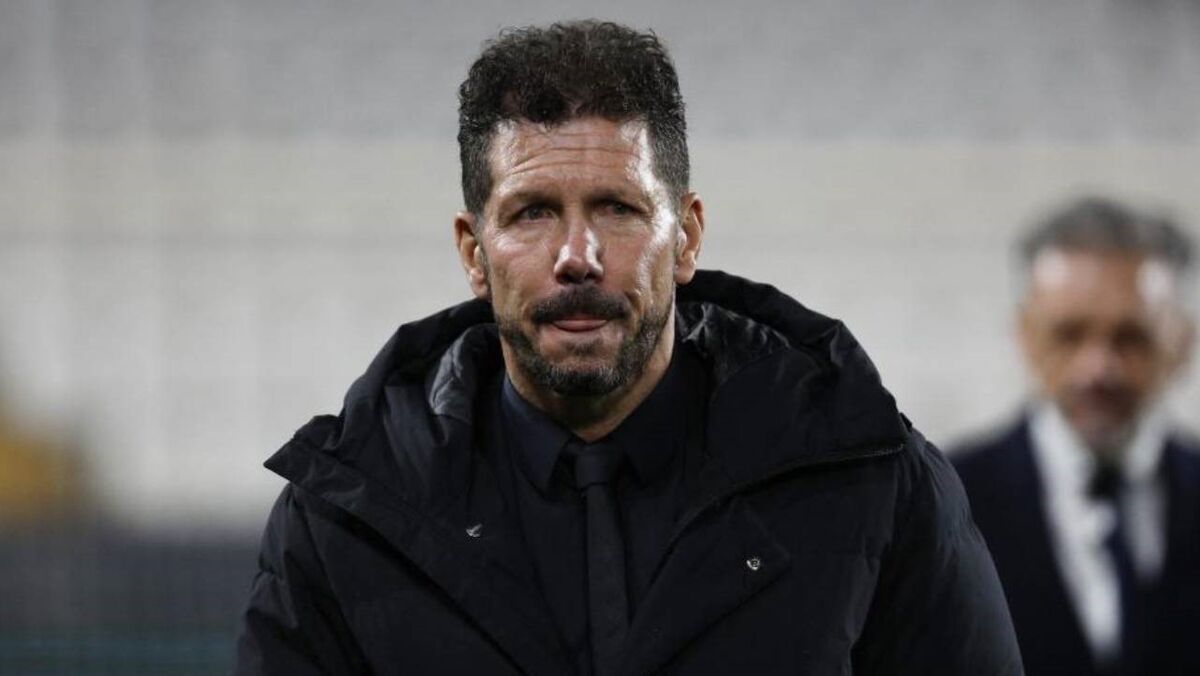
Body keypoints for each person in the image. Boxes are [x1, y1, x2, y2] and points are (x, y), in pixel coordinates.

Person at [234, 20, 1021, 675]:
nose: (577, 256)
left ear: (687, 238)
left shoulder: (874, 484)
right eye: (532, 213)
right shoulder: (343, 518)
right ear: (474, 252)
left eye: (617, 208)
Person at [952, 197, 1200, 676]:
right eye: (1069, 334)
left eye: (1132, 337)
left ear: (1182, 342)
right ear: (1025, 335)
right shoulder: (944, 500)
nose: (1098, 369)